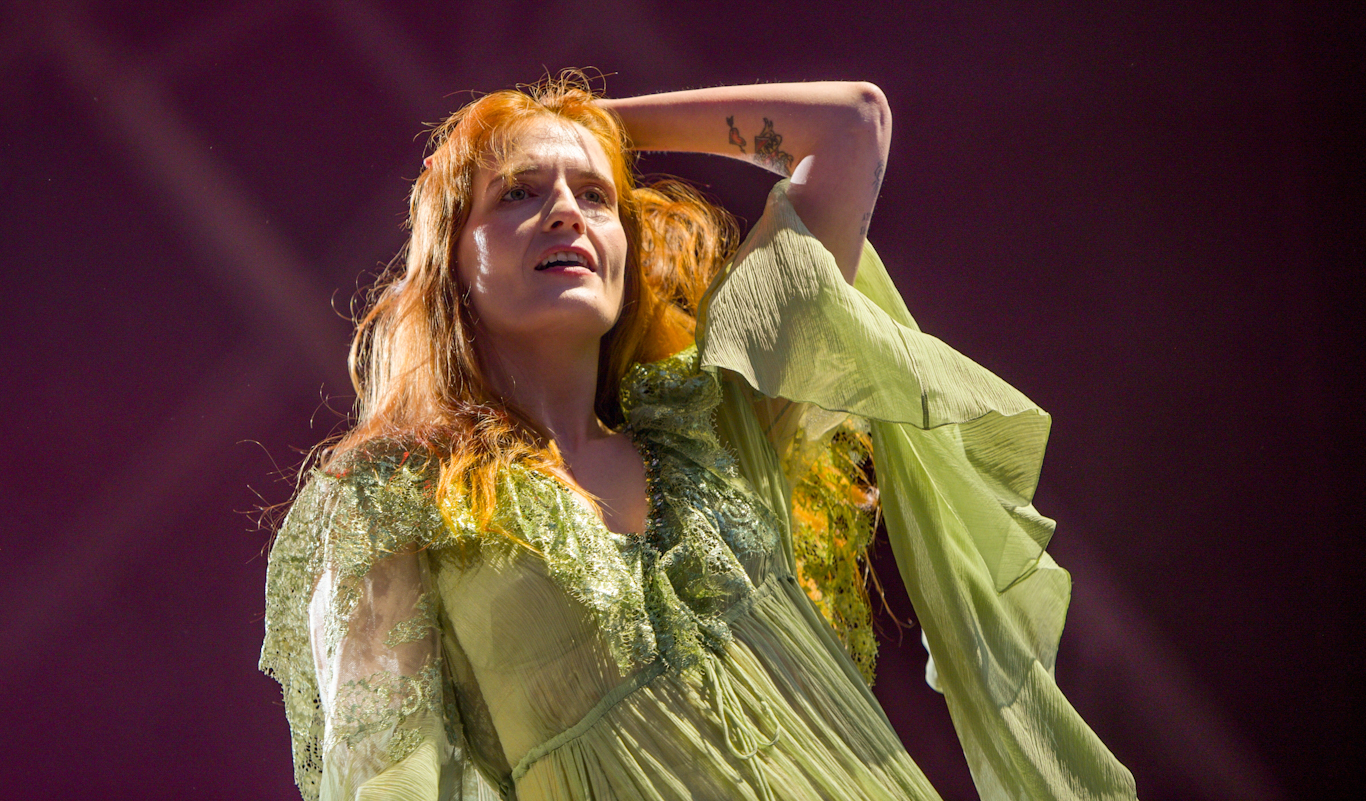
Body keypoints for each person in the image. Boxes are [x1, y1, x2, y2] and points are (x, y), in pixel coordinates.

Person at [261, 74, 1138, 801]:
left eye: (594, 194)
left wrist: (591, 125)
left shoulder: (714, 424)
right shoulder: (406, 498)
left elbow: (852, 127)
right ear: (452, 259)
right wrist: (565, 139)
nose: (565, 212)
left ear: (623, 245)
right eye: (518, 193)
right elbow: (389, 778)